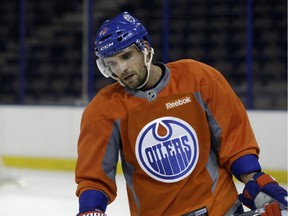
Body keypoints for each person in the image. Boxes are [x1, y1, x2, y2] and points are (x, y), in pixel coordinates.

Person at [75, 12, 287, 216]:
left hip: (222, 210)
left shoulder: (198, 78)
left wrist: (256, 181)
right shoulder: (103, 109)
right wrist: (90, 209)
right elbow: (94, 177)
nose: (121, 69)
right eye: (112, 63)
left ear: (145, 48)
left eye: (126, 56)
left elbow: (235, 144)